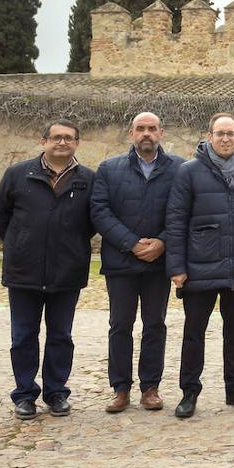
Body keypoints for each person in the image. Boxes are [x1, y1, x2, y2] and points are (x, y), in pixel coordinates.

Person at [0, 119, 95, 420]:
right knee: (23, 335)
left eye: (69, 138)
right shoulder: (17, 175)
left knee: (61, 335)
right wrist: (22, 243)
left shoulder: (88, 179)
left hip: (67, 271)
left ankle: (56, 392)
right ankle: (24, 394)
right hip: (24, 271)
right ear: (43, 141)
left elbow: (90, 223)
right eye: (56, 138)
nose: (62, 143)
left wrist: (69, 245)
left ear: (77, 143)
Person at [165, 113, 234, 418]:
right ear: (209, 136)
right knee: (194, 332)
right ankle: (189, 392)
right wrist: (176, 267)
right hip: (200, 265)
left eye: (231, 133)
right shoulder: (189, 172)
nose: (225, 138)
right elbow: (175, 221)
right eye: (220, 133)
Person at [91, 112, 184, 414]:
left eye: (152, 129)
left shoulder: (179, 169)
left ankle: (150, 388)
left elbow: (184, 212)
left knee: (154, 324)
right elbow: (100, 212)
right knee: (120, 325)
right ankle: (120, 388)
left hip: (158, 263)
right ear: (130, 133)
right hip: (121, 261)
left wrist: (163, 242)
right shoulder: (109, 168)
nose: (147, 134)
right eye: (140, 129)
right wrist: (130, 242)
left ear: (161, 133)